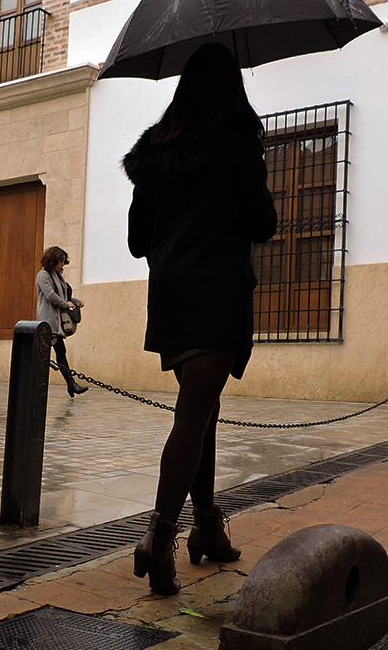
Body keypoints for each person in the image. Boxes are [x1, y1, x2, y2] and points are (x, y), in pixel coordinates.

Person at [122, 43, 278, 595]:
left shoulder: (156, 151)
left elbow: (139, 241)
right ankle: (159, 538)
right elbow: (263, 224)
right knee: (192, 417)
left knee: (203, 410)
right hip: (215, 294)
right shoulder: (235, 140)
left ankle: (206, 527)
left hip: (170, 296)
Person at [36, 246, 88, 397]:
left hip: (56, 322)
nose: (62, 265)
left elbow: (64, 294)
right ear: (53, 260)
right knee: (48, 354)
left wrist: (76, 301)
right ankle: (69, 384)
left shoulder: (57, 276)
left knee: (59, 352)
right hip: (48, 321)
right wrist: (66, 305)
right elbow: (51, 295)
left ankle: (71, 384)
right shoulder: (43, 275)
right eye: (61, 262)